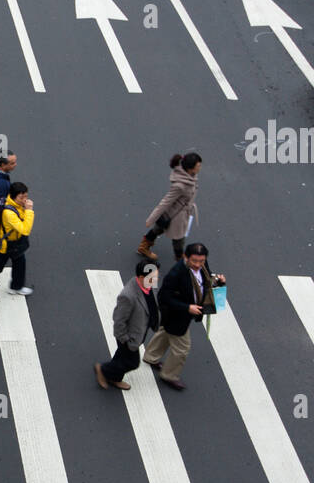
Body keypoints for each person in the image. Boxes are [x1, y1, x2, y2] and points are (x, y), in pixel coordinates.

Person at [143, 243, 226, 391]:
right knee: (182, 348)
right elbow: (163, 297)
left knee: (166, 332)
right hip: (177, 314)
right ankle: (168, 375)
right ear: (185, 257)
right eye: (194, 261)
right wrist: (187, 307)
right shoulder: (176, 274)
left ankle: (151, 356)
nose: (198, 265)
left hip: (182, 314)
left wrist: (218, 282)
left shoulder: (202, 265)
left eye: (201, 261)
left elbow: (204, 281)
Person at [95, 262, 160, 392]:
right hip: (128, 337)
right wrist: (125, 339)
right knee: (132, 362)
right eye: (153, 277)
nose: (156, 280)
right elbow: (119, 320)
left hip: (139, 331)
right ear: (141, 277)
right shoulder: (128, 295)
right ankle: (103, 370)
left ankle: (115, 378)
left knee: (121, 356)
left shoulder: (148, 285)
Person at [138, 152, 202, 263]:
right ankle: (181, 261)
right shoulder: (180, 186)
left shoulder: (191, 176)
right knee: (179, 239)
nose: (200, 168)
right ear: (190, 168)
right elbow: (165, 202)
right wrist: (151, 219)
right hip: (177, 216)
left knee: (159, 228)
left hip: (177, 212)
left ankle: (144, 246)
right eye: (198, 166)